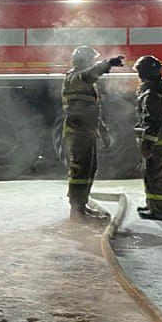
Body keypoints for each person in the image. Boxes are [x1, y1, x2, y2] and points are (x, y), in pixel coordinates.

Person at [62, 45, 125, 219]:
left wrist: (101, 128)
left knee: (89, 168)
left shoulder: (85, 81)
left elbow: (91, 107)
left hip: (87, 129)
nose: (93, 62)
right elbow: (89, 75)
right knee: (80, 170)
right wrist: (107, 64)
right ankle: (77, 210)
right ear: (83, 60)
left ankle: (81, 205)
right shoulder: (74, 77)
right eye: (91, 59)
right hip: (78, 130)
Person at [134, 54, 162, 223]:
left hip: (161, 142)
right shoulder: (158, 87)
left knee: (159, 178)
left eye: (139, 72)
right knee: (151, 175)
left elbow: (154, 121)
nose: (138, 76)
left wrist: (147, 144)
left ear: (144, 73)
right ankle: (153, 206)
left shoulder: (153, 92)